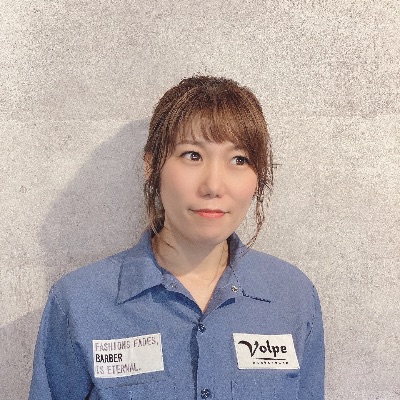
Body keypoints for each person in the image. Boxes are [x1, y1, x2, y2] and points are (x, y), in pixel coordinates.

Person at [29, 76, 324, 399]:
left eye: (239, 159)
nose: (214, 186)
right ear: (151, 166)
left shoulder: (292, 296)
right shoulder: (80, 302)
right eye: (192, 155)